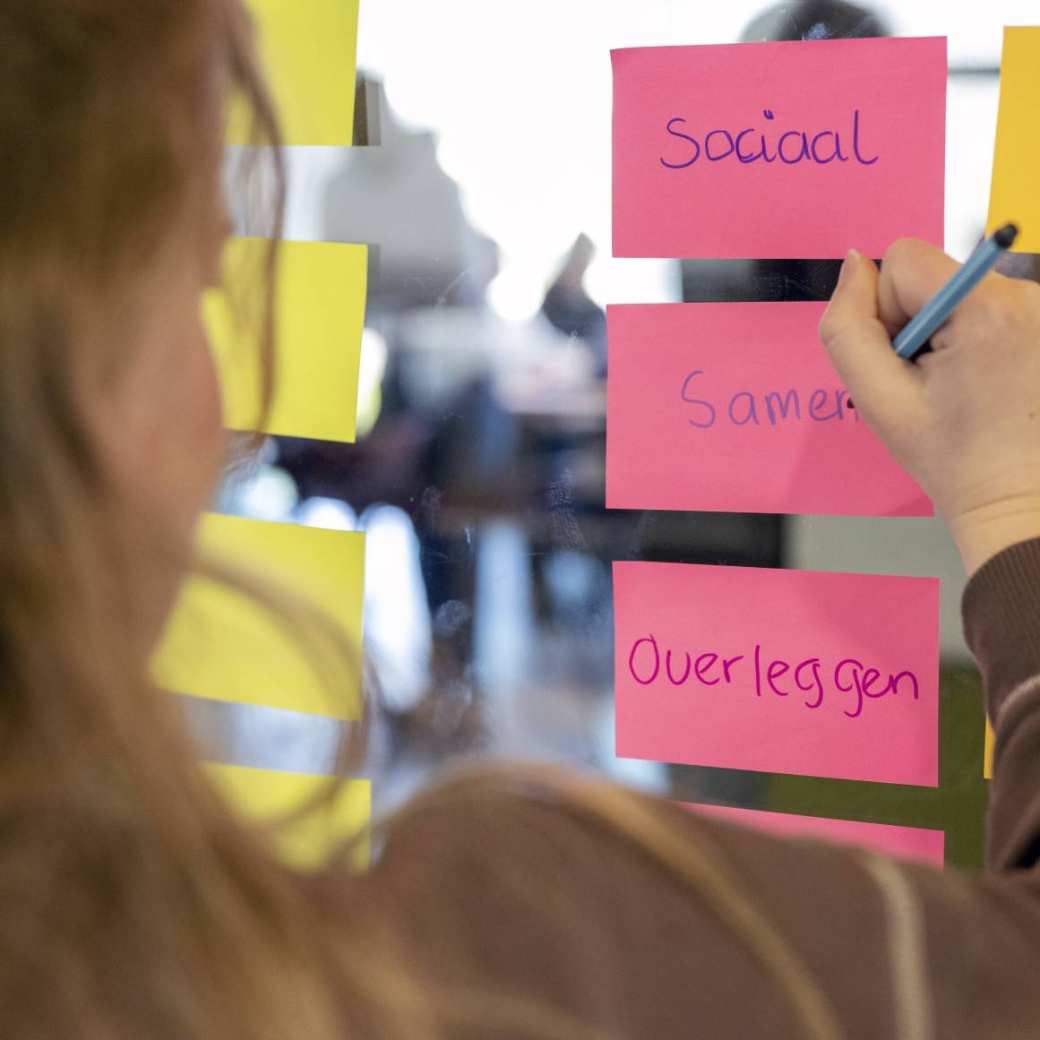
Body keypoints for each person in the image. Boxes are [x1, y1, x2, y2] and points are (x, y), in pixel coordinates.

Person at [3, 3, 1040, 1038]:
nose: (233, 403)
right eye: (204, 278)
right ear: (67, 375)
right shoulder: (520, 945)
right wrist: (1011, 501)